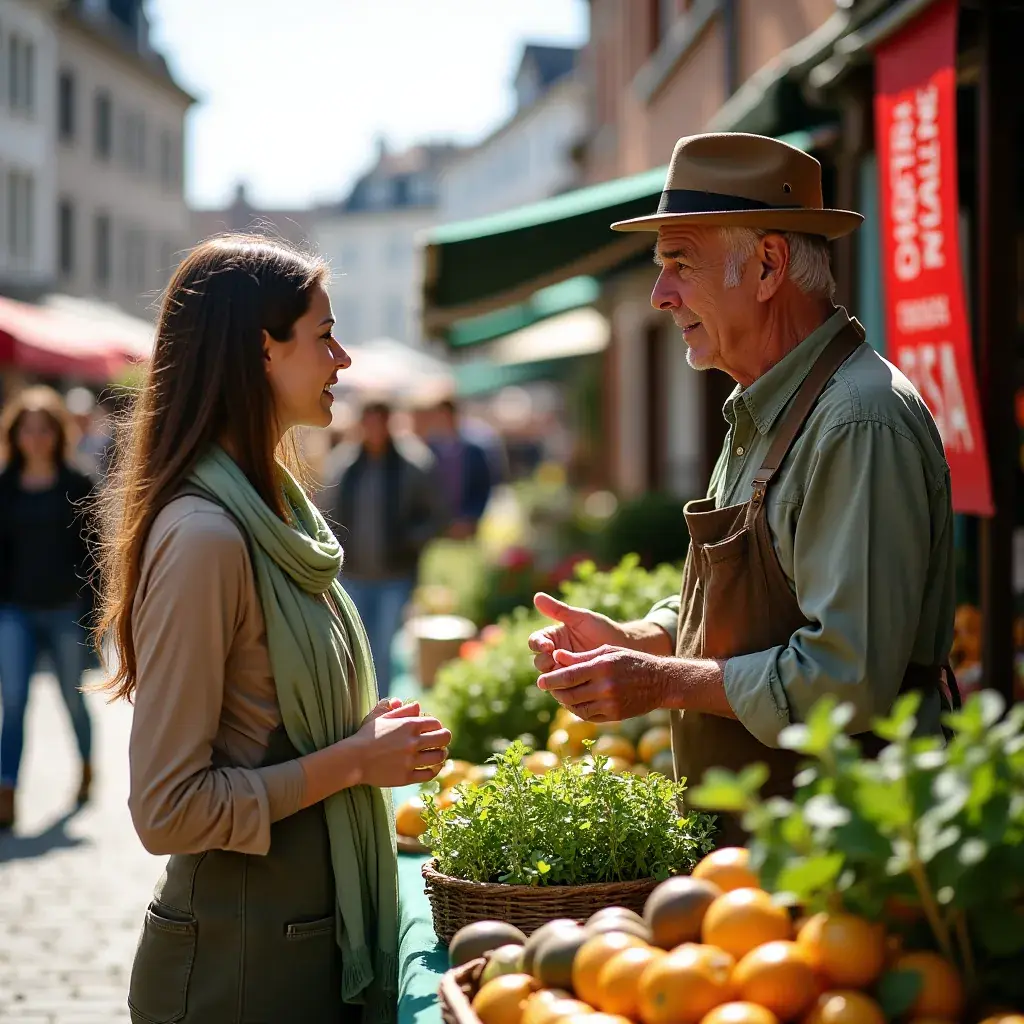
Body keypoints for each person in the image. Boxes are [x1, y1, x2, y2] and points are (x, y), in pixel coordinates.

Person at [528, 133, 956, 845]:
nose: (661, 295)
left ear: (767, 265)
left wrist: (660, 681)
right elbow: (760, 603)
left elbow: (844, 681)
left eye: (679, 264)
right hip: (767, 853)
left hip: (844, 859)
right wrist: (643, 638)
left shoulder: (856, 421)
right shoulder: (768, 401)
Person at [92, 235, 451, 1023]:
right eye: (324, 335)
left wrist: (355, 733)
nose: (343, 358)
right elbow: (167, 810)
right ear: (262, 349)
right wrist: (354, 761)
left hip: (287, 943)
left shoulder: (276, 514)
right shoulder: (208, 536)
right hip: (239, 968)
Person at [0, 386, 97, 831]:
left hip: (64, 610)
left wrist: (94, 617)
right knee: (14, 701)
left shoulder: (78, 484)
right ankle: (7, 790)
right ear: (15, 435)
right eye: (27, 430)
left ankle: (85, 766)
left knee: (71, 700)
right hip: (15, 609)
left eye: (43, 429)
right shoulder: (5, 486)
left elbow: (97, 556)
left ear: (56, 433)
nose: (35, 438)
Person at [320, 400, 447, 696]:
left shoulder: (413, 464)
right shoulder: (344, 465)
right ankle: (357, 708)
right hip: (352, 574)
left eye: (380, 421)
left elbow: (436, 514)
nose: (374, 429)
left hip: (395, 574)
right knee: (354, 645)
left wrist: (411, 540)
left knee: (384, 645)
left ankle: (381, 708)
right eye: (369, 422)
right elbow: (325, 513)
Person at [424, 398, 495, 538]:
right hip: (436, 525)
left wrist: (470, 517)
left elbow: (483, 487)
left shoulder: (474, 452)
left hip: (467, 524)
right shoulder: (426, 451)